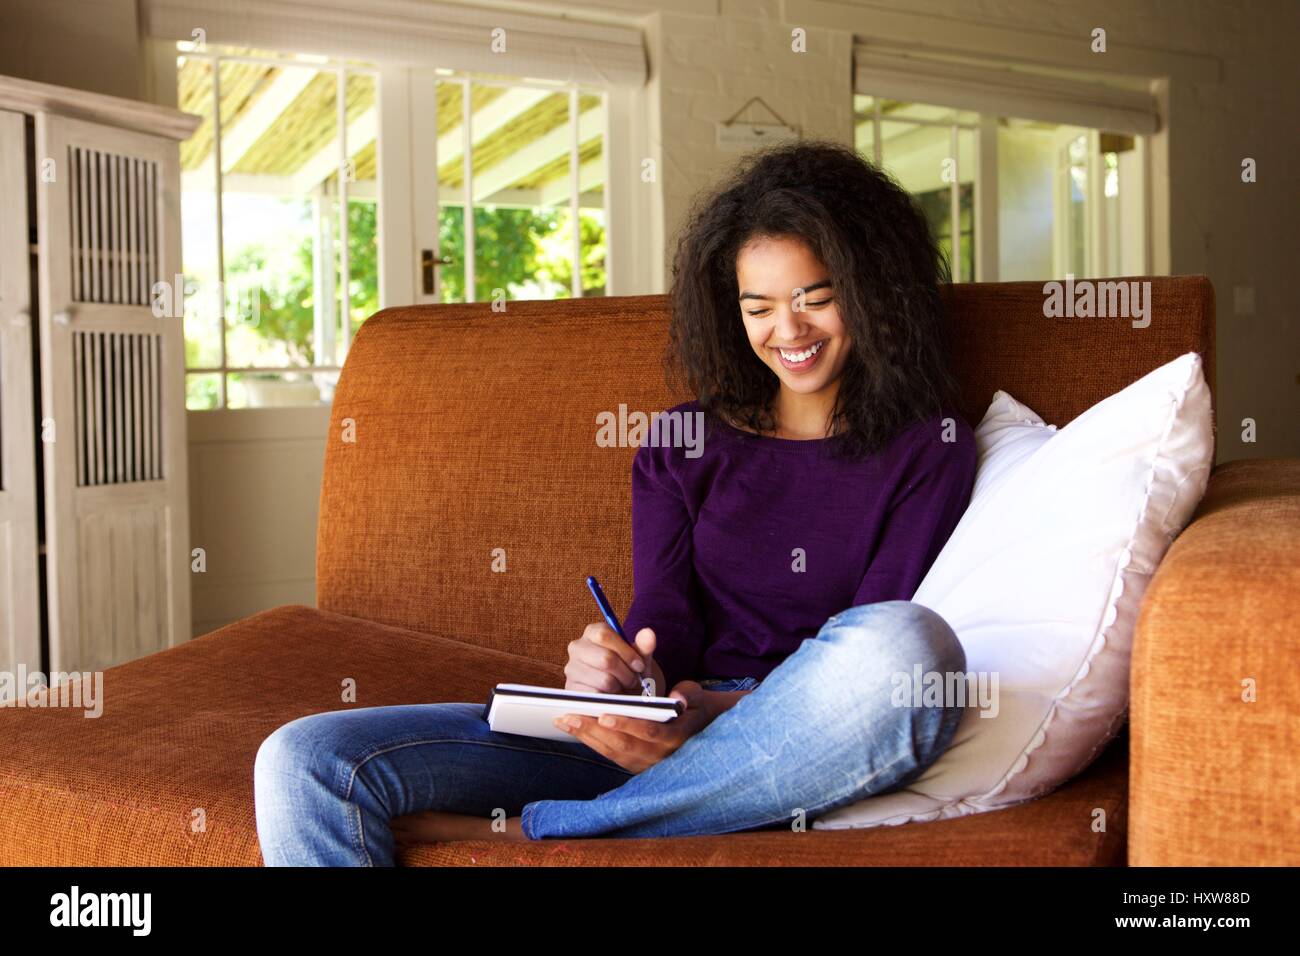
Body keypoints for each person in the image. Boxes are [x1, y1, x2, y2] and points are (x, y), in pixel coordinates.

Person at [253, 139, 977, 865]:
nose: (787, 332)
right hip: (648, 736)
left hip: (796, 739)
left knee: (906, 651)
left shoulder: (928, 445)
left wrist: (708, 717)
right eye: (758, 307)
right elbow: (667, 616)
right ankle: (636, 803)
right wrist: (629, 677)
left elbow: (870, 642)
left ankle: (543, 827)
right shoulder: (683, 441)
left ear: (873, 291)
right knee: (304, 758)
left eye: (815, 299)